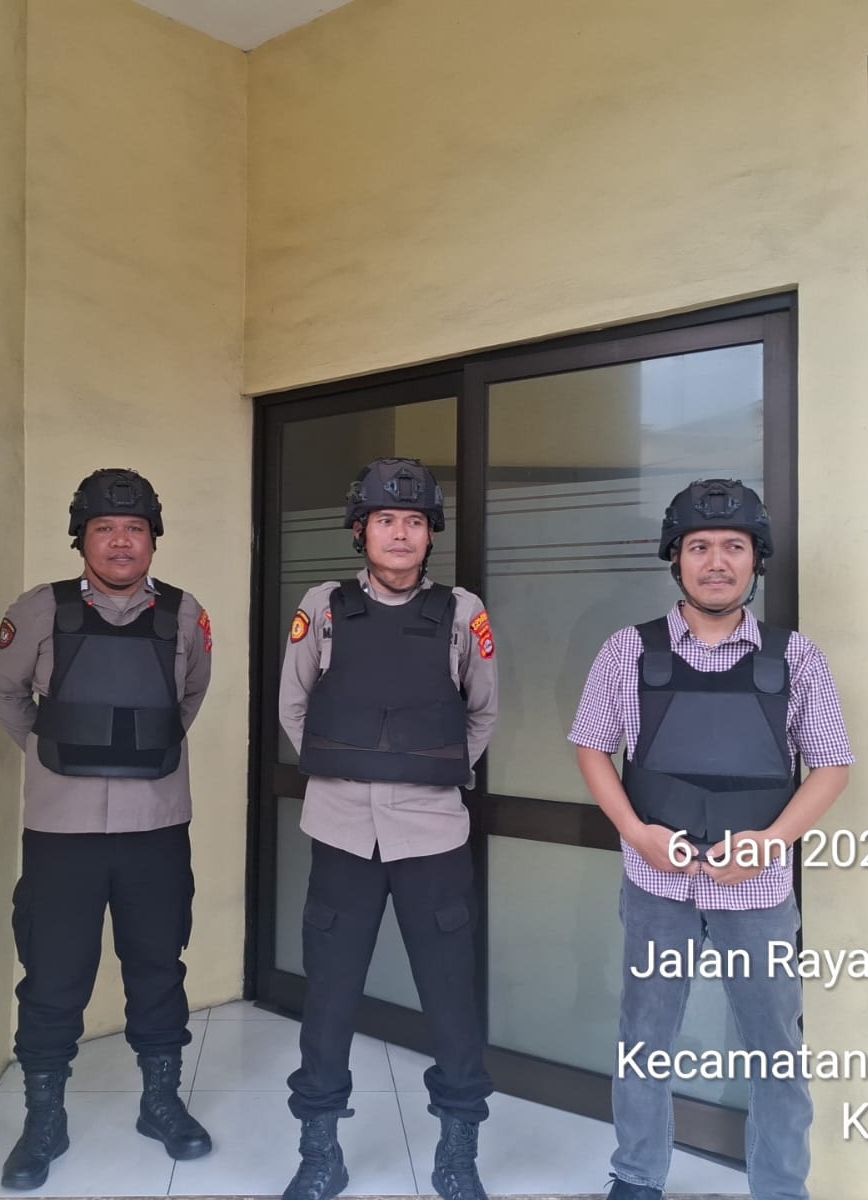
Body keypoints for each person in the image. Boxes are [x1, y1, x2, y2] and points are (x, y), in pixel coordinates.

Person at [568, 478, 852, 1200]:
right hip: (656, 886)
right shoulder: (626, 651)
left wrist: (769, 843)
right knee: (644, 1040)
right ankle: (636, 1179)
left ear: (756, 560)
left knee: (775, 1049)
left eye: (733, 546)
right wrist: (636, 833)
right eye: (699, 547)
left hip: (756, 894)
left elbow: (831, 766)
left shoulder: (797, 659)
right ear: (675, 558)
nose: (716, 562)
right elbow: (592, 747)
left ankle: (780, 1188)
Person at [0, 467, 215, 1190]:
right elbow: (3, 689)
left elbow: (189, 696)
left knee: (158, 967)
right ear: (81, 539)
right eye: (105, 529)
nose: (120, 542)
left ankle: (160, 1104)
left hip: (157, 826)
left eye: (134, 529)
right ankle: (43, 1121)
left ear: (153, 539)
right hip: (62, 831)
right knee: (53, 976)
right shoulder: (39, 610)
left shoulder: (185, 614)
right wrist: (48, 751)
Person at [277, 457, 498, 1200]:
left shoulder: (462, 612)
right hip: (341, 832)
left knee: (450, 997)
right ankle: (319, 1151)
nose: (399, 534)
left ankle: (457, 1150)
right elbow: (294, 705)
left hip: (432, 836)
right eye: (384, 520)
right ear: (359, 531)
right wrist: (344, 771)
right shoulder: (324, 607)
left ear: (430, 534)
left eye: (413, 521)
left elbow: (482, 712)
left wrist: (423, 773)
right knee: (329, 996)